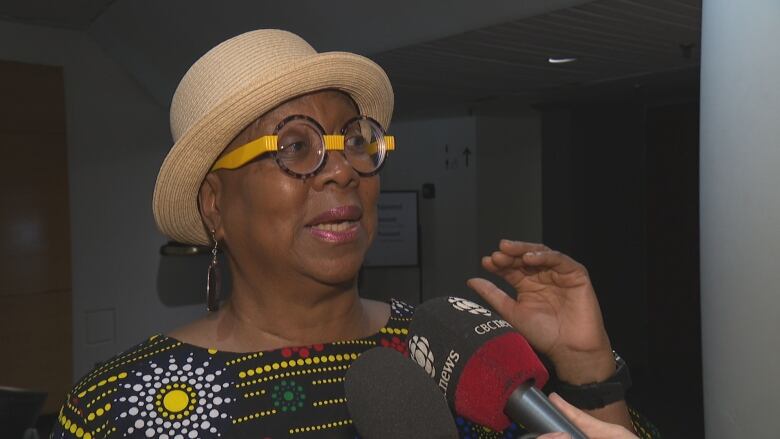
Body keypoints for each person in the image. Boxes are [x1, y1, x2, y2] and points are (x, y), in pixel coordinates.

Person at [51, 29, 658, 438]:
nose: (342, 168)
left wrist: (587, 368)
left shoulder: (457, 352)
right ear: (215, 204)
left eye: (354, 140)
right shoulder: (117, 409)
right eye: (295, 147)